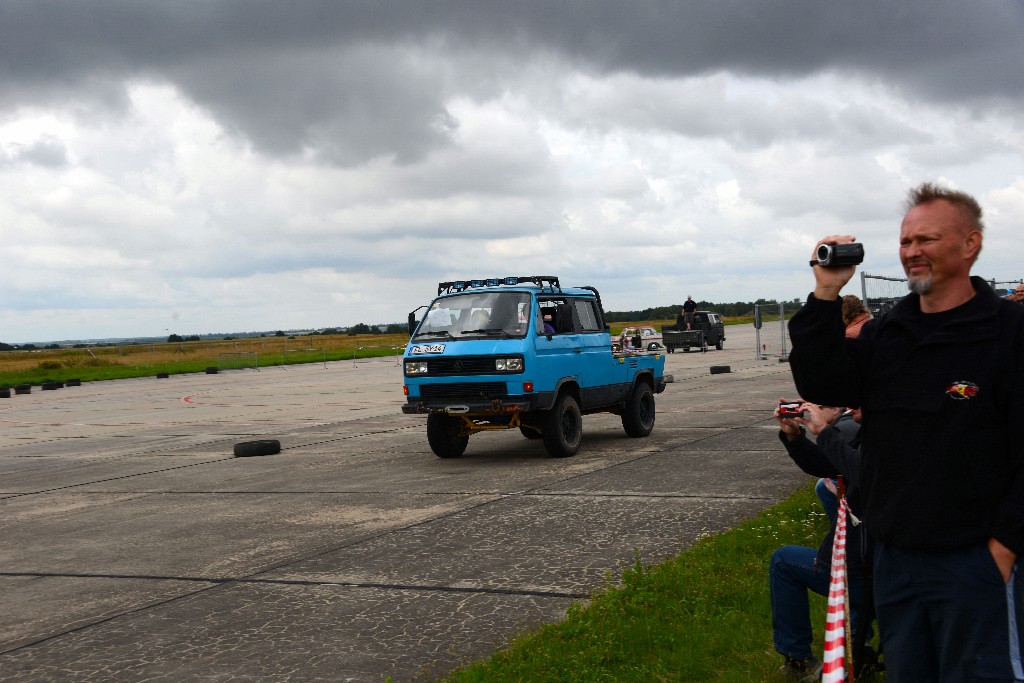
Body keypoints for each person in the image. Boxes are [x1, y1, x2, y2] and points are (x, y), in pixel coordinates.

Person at [787, 182, 1024, 682]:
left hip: (974, 561)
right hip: (894, 559)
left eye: (928, 239)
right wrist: (826, 291)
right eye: (905, 241)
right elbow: (822, 382)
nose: (912, 252)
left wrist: (1004, 547)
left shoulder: (1008, 333)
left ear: (970, 244)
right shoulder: (888, 336)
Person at [770, 402, 874, 681]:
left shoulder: (876, 440)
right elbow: (826, 465)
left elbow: (862, 473)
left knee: (783, 561)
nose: (853, 409)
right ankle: (856, 638)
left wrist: (824, 432)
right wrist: (794, 437)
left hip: (858, 571)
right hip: (868, 566)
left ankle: (799, 659)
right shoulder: (875, 434)